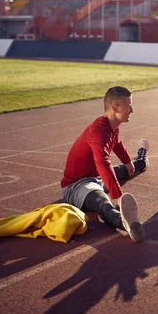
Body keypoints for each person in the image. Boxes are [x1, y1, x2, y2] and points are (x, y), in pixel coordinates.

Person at [61, 86, 149, 242]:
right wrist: (118, 197)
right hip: (77, 185)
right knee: (103, 201)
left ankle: (141, 161)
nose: (132, 110)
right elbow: (102, 163)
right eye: (129, 106)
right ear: (115, 107)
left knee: (130, 169)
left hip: (96, 177)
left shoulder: (111, 127)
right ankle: (126, 222)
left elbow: (117, 143)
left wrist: (128, 162)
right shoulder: (99, 130)